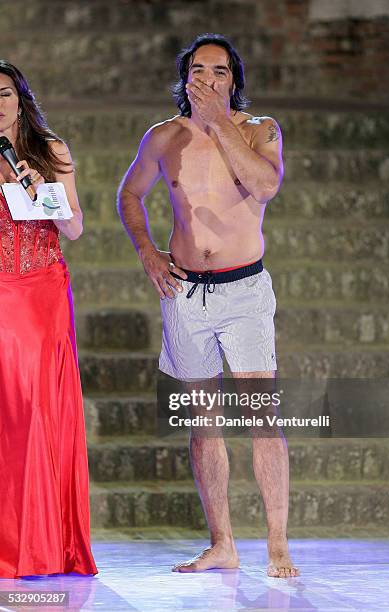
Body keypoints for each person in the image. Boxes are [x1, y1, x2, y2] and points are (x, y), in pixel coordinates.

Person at [117, 34, 299, 578]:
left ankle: (277, 545)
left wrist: (221, 123)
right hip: (185, 293)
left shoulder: (260, 130)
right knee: (204, 423)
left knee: (262, 416)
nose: (209, 79)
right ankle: (222, 544)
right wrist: (148, 252)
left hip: (244, 289)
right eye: (199, 70)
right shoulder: (163, 137)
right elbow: (130, 195)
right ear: (185, 78)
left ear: (233, 80)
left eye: (220, 72)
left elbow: (265, 186)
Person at [0, 60, 97, 578]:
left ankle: (40, 542)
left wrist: (45, 194)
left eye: (5, 94)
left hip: (41, 291)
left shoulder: (50, 150)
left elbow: (75, 228)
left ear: (20, 99)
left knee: (36, 409)